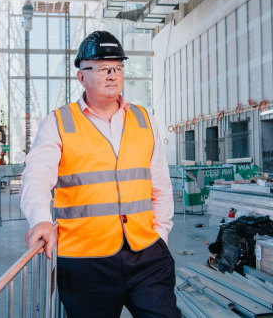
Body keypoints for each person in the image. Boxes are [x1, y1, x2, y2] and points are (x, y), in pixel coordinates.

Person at [20, 30, 180, 318]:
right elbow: (36, 176)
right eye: (104, 68)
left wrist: (161, 235)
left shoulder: (145, 120)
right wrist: (41, 220)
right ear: (81, 77)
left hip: (147, 254)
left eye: (118, 67)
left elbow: (160, 184)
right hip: (85, 261)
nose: (112, 75)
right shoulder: (59, 122)